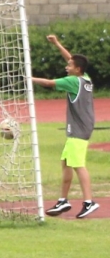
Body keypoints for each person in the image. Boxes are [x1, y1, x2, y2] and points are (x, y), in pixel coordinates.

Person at [32, 35, 99, 219]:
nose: (66, 67)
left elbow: (48, 83)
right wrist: (57, 44)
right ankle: (63, 200)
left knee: (78, 165)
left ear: (77, 69)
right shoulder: (84, 77)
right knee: (67, 163)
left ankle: (88, 202)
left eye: (69, 66)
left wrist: (27, 78)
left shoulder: (72, 82)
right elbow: (70, 58)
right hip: (82, 127)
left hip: (79, 129)